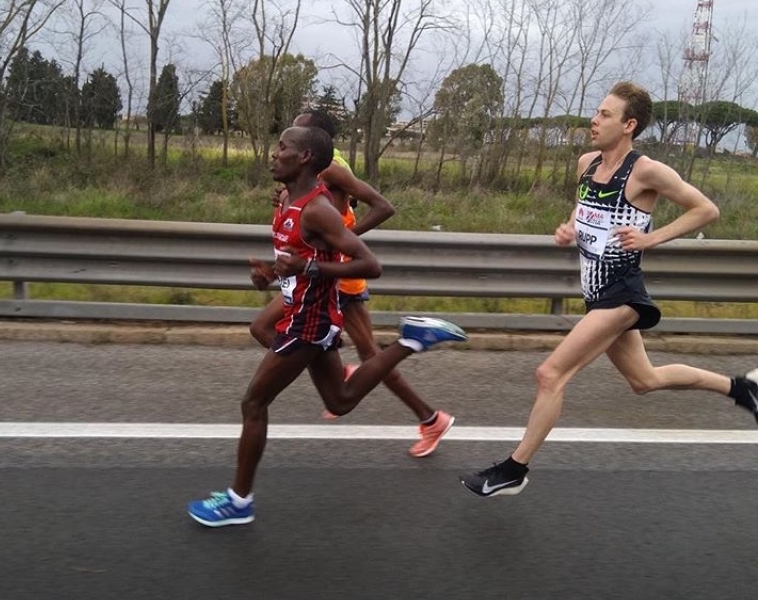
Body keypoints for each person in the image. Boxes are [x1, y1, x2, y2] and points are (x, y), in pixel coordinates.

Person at [460, 81, 758, 498]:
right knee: (645, 380)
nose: (593, 120)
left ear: (628, 125)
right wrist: (570, 227)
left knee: (550, 374)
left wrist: (652, 238)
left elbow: (707, 209)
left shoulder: (646, 171)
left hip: (622, 293)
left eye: (604, 114)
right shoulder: (587, 163)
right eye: (596, 112)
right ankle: (742, 388)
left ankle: (514, 469)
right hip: (596, 294)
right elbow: (586, 208)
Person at [187, 125, 467, 526]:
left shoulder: (318, 209)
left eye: (282, 147)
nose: (274, 153)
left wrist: (307, 267)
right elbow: (297, 260)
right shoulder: (288, 201)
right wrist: (270, 276)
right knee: (340, 401)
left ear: (303, 158)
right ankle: (412, 340)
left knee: (253, 403)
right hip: (308, 313)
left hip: (308, 321)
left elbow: (371, 265)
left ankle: (238, 502)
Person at [249, 108, 455, 458]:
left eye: (294, 135)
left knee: (369, 357)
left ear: (310, 147)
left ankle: (430, 417)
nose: (282, 144)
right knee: (263, 328)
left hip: (338, 277)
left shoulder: (330, 170)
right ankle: (321, 357)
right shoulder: (304, 181)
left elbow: (382, 207)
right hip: (311, 279)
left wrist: (340, 237)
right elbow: (299, 239)